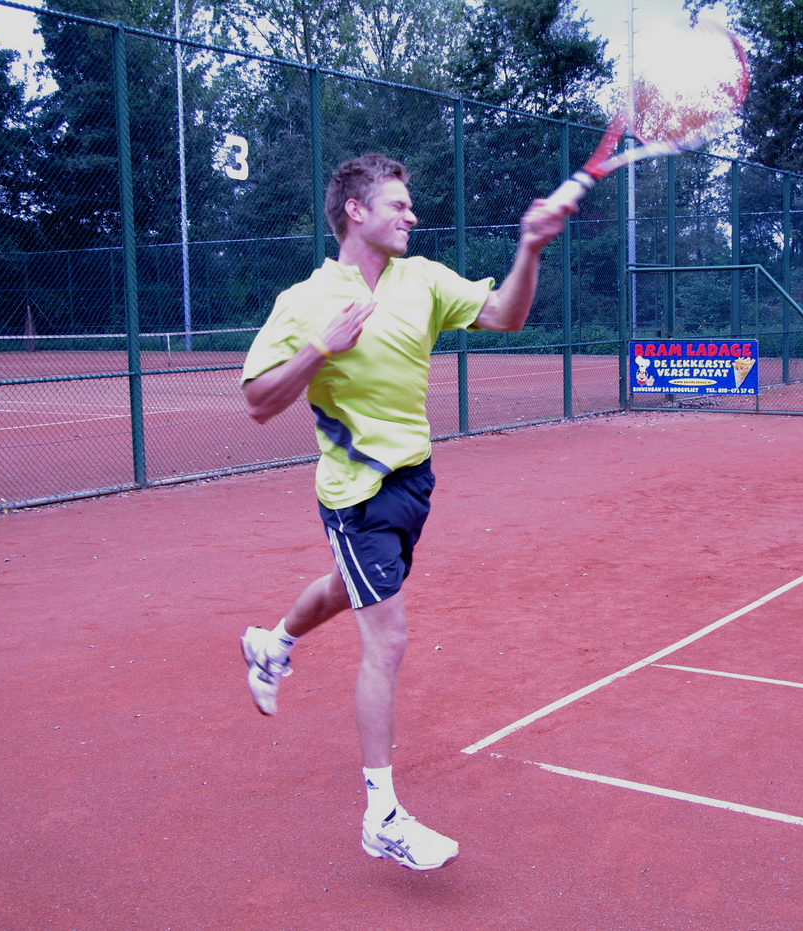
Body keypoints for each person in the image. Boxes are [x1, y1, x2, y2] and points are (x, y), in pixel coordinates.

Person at [238, 153, 573, 871]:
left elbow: (506, 315)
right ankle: (381, 815)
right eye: (397, 204)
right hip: (356, 493)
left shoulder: (421, 279)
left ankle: (272, 643)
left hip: (413, 483)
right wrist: (321, 347)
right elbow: (259, 401)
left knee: (346, 587)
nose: (411, 215)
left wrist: (530, 247)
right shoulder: (305, 300)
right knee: (386, 638)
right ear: (355, 211)